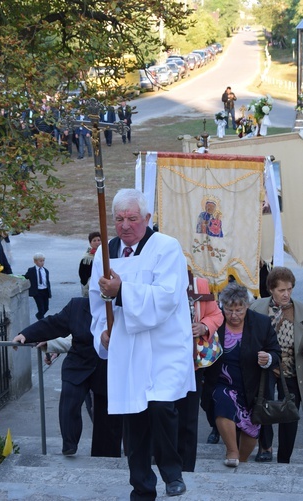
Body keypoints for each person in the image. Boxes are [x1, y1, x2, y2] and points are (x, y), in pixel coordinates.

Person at [90, 188, 193, 499]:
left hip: (164, 345)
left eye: (132, 218)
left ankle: (172, 471)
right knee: (133, 419)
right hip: (128, 348)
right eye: (119, 219)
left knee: (162, 407)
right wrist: (101, 333)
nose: (125, 225)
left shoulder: (166, 248)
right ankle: (142, 487)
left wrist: (123, 291)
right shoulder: (104, 254)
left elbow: (166, 297)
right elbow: (96, 304)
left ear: (147, 219)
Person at [13, 297, 123, 458]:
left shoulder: (122, 308)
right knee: (70, 399)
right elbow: (54, 323)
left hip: (108, 368)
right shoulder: (77, 306)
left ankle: (106, 456)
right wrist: (26, 334)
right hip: (79, 364)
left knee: (107, 412)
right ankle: (69, 445)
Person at [203, 282, 281, 466]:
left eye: (239, 310)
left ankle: (241, 461)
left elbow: (276, 351)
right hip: (221, 381)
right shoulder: (217, 321)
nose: (234, 315)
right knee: (222, 406)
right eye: (229, 310)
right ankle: (231, 451)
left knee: (251, 431)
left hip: (252, 386)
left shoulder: (261, 323)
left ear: (247, 306)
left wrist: (268, 357)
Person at [249, 266, 303, 463]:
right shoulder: (256, 308)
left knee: (289, 414)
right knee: (263, 407)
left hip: (292, 370)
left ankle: (284, 457)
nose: (286, 294)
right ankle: (265, 447)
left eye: (289, 289)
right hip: (264, 369)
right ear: (271, 289)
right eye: (281, 290)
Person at [176, 273, 224, 472]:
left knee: (188, 418)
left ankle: (186, 467)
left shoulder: (199, 284)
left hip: (190, 363)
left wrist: (204, 326)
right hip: (158, 362)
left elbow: (217, 315)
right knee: (160, 414)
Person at [24, 253, 52, 320]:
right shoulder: (31, 270)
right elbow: (26, 277)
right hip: (37, 292)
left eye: (43, 261)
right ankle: (42, 320)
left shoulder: (45, 271)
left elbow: (47, 282)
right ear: (35, 261)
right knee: (41, 308)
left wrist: (49, 292)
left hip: (45, 290)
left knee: (46, 308)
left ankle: (38, 315)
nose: (42, 263)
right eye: (40, 261)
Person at [78, 231, 102, 297]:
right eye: (94, 241)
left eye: (99, 240)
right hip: (90, 285)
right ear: (90, 243)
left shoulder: (106, 254)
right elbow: (82, 273)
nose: (97, 242)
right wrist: (87, 284)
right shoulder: (87, 257)